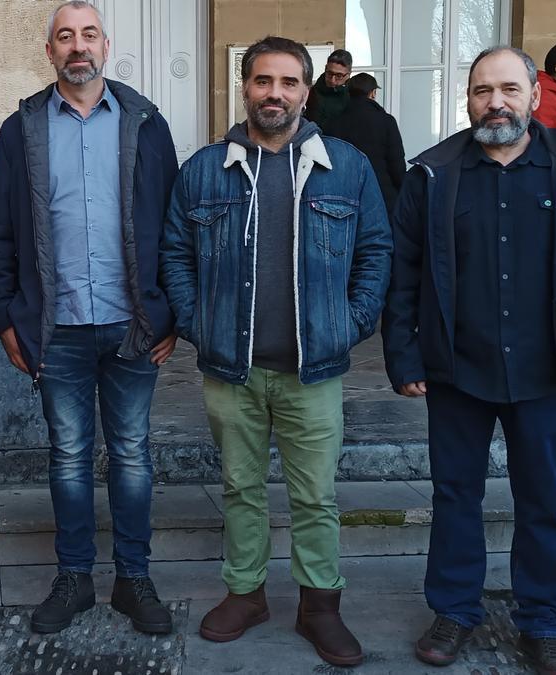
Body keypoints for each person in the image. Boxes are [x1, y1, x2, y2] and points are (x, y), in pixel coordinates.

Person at [382, 46, 556, 675]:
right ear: (466, 100)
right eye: (481, 90)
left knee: (543, 501)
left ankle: (545, 620)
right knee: (455, 497)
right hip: (457, 371)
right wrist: (404, 353)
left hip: (548, 374)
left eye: (508, 89)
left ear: (532, 94)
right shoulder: (433, 174)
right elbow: (402, 274)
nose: (495, 102)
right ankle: (455, 611)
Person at [160, 36, 390, 667]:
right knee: (240, 486)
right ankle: (247, 593)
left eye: (289, 83)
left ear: (306, 92)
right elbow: (175, 254)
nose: (275, 94)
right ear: (245, 87)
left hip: (312, 370)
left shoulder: (346, 165)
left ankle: (321, 606)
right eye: (263, 81)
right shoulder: (207, 168)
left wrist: (351, 323)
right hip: (230, 367)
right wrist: (196, 322)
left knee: (315, 494)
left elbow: (376, 250)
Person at [0, 0, 179, 636]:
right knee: (67, 455)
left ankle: (133, 578)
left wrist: (172, 312)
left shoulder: (146, 123)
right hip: (56, 327)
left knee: (131, 454)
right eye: (65, 37)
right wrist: (6, 320)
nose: (77, 46)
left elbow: (175, 228)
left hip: (132, 327)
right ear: (49, 52)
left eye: (88, 34)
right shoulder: (23, 129)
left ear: (105, 45)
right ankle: (73, 579)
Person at [322, 72, 406, 217]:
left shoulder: (333, 123)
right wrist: (403, 191)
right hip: (383, 196)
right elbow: (396, 162)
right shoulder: (386, 121)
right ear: (372, 93)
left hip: (346, 196)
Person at [304, 48, 351, 128]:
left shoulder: (354, 94)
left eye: (339, 76)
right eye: (330, 73)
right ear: (326, 68)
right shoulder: (312, 93)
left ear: (348, 74)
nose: (332, 81)